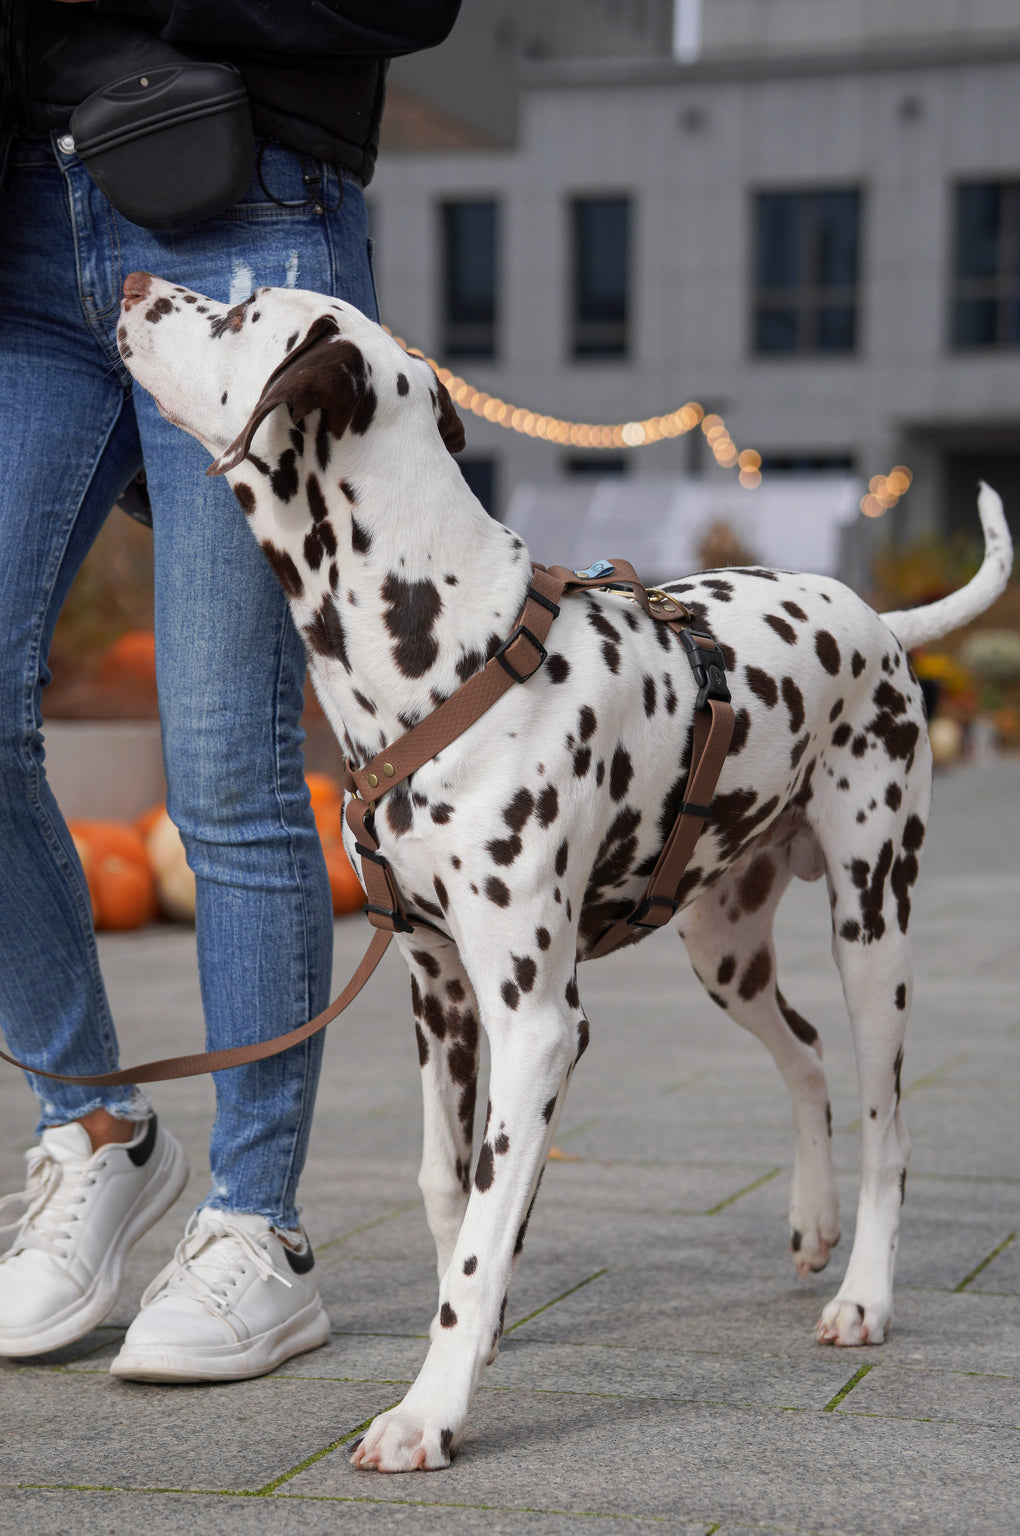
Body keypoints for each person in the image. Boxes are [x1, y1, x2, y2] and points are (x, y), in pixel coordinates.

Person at [0, 0, 460, 1380]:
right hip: (25, 217)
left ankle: (259, 1224)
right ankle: (94, 1126)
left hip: (240, 200)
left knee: (225, 755)